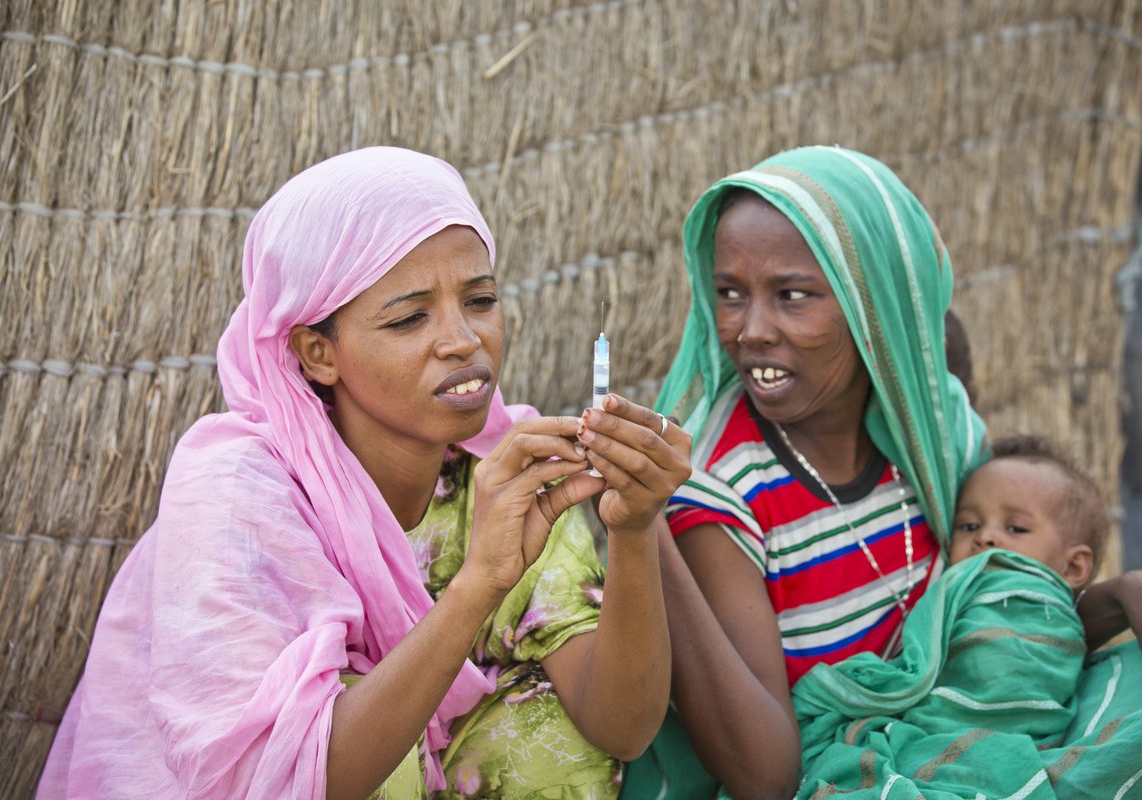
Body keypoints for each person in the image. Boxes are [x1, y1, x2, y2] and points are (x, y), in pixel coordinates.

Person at [37, 147, 690, 799]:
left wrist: (633, 531)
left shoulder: (505, 471)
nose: (463, 340)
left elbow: (622, 729)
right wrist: (480, 583)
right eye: (409, 317)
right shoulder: (244, 495)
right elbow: (281, 779)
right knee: (359, 727)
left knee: (539, 726)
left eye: (481, 299)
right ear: (319, 352)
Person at [621, 146, 1142, 800]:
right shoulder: (717, 488)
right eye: (730, 294)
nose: (751, 330)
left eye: (793, 296)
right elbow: (764, 777)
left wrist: (1122, 596)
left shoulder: (934, 434)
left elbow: (995, 630)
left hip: (962, 739)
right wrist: (645, 525)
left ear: (873, 303)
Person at [794, 435, 1142, 798]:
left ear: (1074, 566)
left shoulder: (1062, 615)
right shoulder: (954, 591)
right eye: (970, 526)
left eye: (1015, 527)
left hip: (1039, 743)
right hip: (938, 738)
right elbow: (919, 665)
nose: (986, 538)